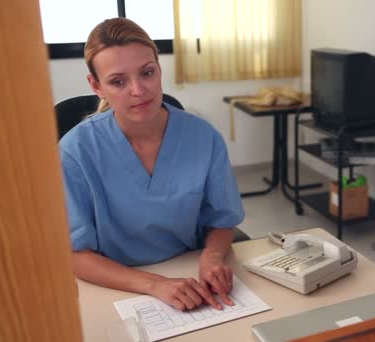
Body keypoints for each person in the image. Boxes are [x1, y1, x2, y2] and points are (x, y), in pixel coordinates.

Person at [59, 18, 244, 312]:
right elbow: (75, 254)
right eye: (118, 81)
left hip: (188, 273)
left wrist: (212, 258)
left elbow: (222, 220)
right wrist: (155, 285)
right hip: (115, 284)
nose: (138, 90)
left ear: (159, 68)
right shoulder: (75, 151)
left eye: (147, 73)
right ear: (96, 86)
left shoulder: (203, 137)